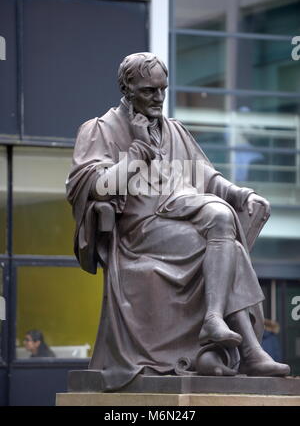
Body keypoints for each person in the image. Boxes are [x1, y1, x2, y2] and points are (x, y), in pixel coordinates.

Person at [66, 52, 290, 391]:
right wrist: (138, 152)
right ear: (127, 89)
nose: (158, 98)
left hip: (181, 218)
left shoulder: (174, 130)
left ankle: (222, 330)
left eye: (162, 90)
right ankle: (246, 347)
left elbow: (207, 177)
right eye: (148, 91)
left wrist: (241, 194)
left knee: (221, 223)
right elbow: (93, 186)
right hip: (138, 231)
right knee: (219, 231)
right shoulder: (99, 129)